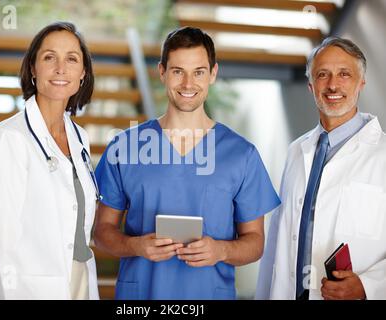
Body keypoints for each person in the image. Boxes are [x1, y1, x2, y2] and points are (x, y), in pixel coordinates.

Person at [93, 26, 280, 300]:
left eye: (199, 72)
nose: (188, 84)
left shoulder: (241, 154)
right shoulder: (126, 147)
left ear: (213, 73)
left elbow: (255, 242)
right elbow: (102, 232)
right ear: (162, 72)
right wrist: (135, 246)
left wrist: (222, 250)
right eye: (178, 71)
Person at [256, 37, 386, 300]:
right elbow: (278, 240)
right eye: (322, 74)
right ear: (311, 85)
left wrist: (368, 286)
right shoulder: (296, 152)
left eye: (344, 74)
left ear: (361, 82)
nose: (333, 84)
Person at [0, 22, 100, 299]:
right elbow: (1, 247)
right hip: (30, 289)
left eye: (72, 59)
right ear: (33, 68)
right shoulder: (9, 139)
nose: (61, 68)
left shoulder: (79, 137)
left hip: (79, 279)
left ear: (83, 73)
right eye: (49, 57)